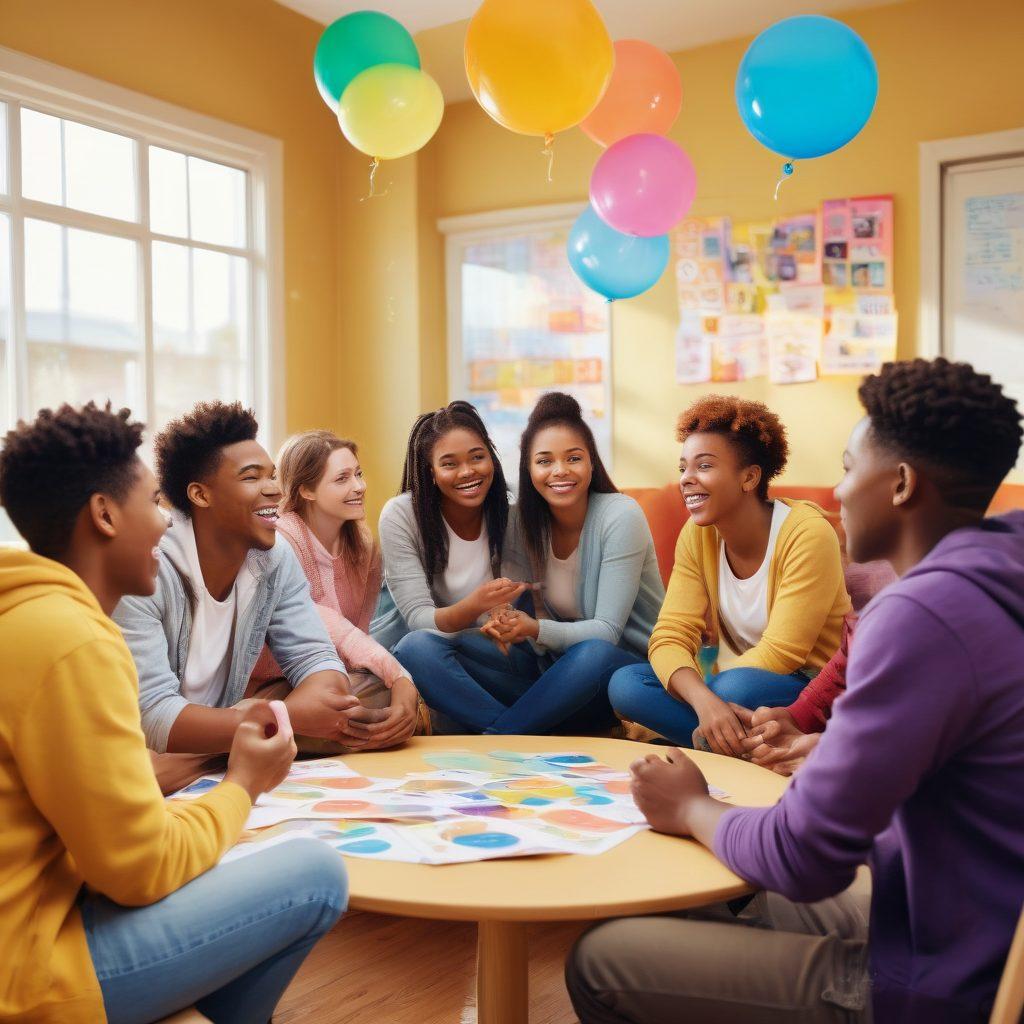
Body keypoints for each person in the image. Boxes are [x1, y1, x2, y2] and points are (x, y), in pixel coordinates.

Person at [568, 358, 1024, 1024]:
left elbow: (805, 857)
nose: (837, 492)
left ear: (899, 484)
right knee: (699, 890)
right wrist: (831, 745)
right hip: (972, 910)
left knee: (601, 960)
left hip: (940, 977)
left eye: (847, 467)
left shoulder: (921, 615)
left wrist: (692, 805)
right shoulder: (999, 568)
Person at [0, 402, 347, 1024]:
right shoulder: (74, 641)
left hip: (51, 910)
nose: (165, 523)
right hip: (28, 970)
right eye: (153, 503)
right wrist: (243, 782)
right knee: (316, 872)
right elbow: (139, 869)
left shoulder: (30, 616)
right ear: (105, 515)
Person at [114, 401, 388, 754]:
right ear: (200, 494)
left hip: (224, 730)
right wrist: (285, 716)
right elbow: (152, 714)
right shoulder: (146, 570)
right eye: (251, 477)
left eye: (271, 475)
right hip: (135, 746)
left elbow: (317, 658)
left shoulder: (274, 558)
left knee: (365, 695)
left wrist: (283, 716)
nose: (274, 489)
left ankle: (213, 758)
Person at [609, 395, 850, 753]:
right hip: (734, 687)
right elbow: (670, 635)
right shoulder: (697, 534)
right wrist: (706, 702)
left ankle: (722, 739)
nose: (686, 480)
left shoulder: (806, 533)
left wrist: (711, 695)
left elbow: (783, 653)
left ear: (749, 477)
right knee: (626, 684)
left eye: (703, 466)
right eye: (683, 469)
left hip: (810, 687)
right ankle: (744, 747)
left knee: (734, 689)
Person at [468, 392, 664, 734]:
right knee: (425, 649)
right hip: (556, 670)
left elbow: (607, 632)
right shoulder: (520, 520)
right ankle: (546, 724)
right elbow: (508, 598)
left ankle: (501, 736)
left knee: (593, 653)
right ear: (528, 469)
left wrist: (533, 628)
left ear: (591, 463)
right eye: (544, 461)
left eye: (573, 458)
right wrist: (502, 618)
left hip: (625, 671)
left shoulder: (620, 516)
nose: (560, 471)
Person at [248, 430, 423, 748]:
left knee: (377, 696)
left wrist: (396, 685)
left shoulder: (363, 547)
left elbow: (358, 636)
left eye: (358, 474)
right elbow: (322, 622)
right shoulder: (283, 540)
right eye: (342, 478)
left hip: (332, 679)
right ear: (306, 490)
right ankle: (259, 735)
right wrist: (400, 677)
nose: (359, 487)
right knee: (371, 699)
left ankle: (292, 738)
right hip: (272, 682)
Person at [379, 401, 528, 731]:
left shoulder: (514, 507)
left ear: (492, 456)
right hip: (436, 655)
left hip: (496, 652)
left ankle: (503, 731)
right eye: (450, 464)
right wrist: (474, 605)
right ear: (430, 471)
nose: (467, 472)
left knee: (566, 658)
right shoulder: (402, 516)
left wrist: (503, 617)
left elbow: (521, 597)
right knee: (416, 649)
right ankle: (515, 732)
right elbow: (418, 619)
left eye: (477, 457)